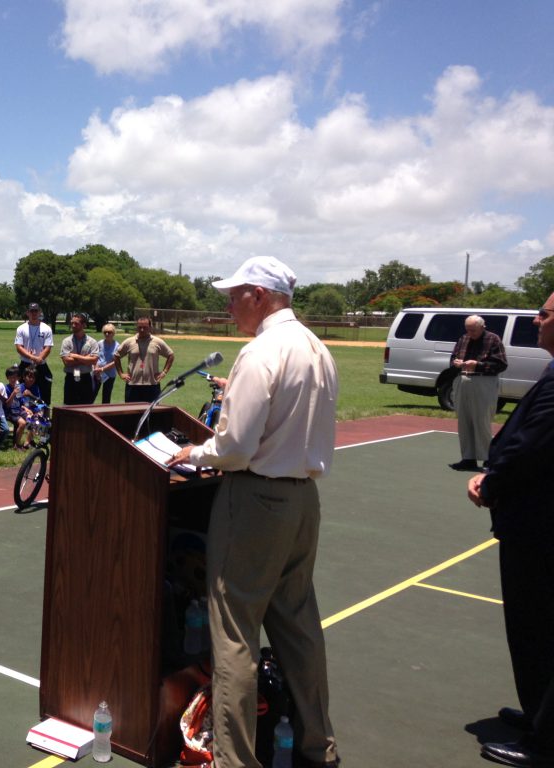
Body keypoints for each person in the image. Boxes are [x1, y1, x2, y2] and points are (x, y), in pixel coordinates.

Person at [167, 256, 340, 768]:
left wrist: (193, 453)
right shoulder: (315, 348)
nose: (228, 303)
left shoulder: (261, 351)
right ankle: (317, 746)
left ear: (260, 296)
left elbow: (236, 448)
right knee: (298, 626)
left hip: (256, 501)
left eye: (235, 293)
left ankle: (234, 760)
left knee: (235, 632)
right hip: (302, 500)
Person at [467, 295, 554, 767]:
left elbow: (532, 445)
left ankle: (546, 742)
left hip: (540, 525)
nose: (536, 321)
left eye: (544, 314)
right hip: (534, 520)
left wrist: (492, 481)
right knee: (534, 629)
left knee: (539, 627)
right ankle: (541, 713)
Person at [449, 315, 508, 471]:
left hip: (483, 382)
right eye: (467, 329)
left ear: (483, 327)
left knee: (482, 422)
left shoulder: (493, 339)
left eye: (473, 330)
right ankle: (468, 458)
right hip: (463, 381)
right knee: (464, 421)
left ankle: (489, 460)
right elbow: (453, 358)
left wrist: (478, 365)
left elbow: (501, 365)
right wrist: (455, 363)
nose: (470, 333)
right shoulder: (463, 338)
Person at [114, 316, 174, 403]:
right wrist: (121, 374)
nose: (142, 330)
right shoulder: (129, 341)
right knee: (132, 414)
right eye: (140, 327)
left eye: (145, 327)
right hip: (133, 385)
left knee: (153, 414)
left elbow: (171, 355)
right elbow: (116, 356)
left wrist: (164, 372)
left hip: (152, 385)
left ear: (150, 327)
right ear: (137, 327)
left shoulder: (157, 342)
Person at [14, 302, 54, 405]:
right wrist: (32, 357)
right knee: (21, 391)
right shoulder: (21, 328)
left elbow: (48, 347)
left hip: (41, 365)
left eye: (36, 311)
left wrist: (39, 359)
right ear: (28, 313)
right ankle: (23, 413)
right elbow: (19, 347)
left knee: (44, 391)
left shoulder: (46, 328)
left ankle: (45, 415)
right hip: (25, 364)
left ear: (40, 312)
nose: (34, 313)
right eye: (32, 311)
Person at [60, 312, 100, 406]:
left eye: (76, 323)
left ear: (84, 325)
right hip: (71, 378)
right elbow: (66, 362)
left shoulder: (92, 342)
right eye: (72, 323)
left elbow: (94, 360)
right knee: (69, 407)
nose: (73, 325)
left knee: (86, 407)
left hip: (86, 378)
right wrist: (86, 359)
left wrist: (76, 356)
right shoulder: (66, 341)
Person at [92, 323, 120, 404]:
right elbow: (95, 356)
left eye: (109, 332)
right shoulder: (99, 343)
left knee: (106, 397)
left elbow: (115, 362)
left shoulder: (117, 346)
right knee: (92, 394)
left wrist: (102, 369)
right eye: (105, 332)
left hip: (110, 375)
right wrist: (97, 369)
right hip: (97, 373)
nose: (107, 334)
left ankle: (104, 415)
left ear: (114, 333)